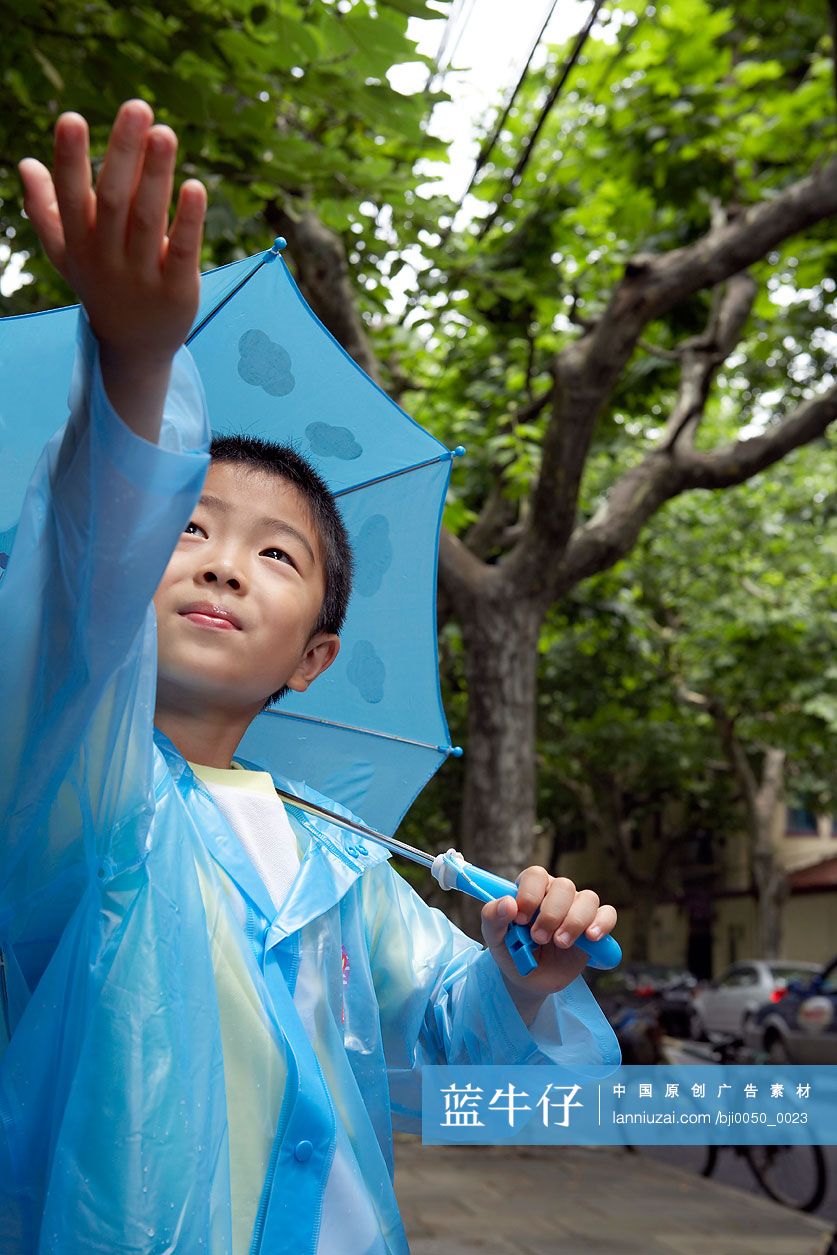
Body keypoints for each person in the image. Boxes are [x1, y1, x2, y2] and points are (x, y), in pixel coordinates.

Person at [0, 101, 620, 1254]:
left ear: (313, 657)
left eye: (276, 555)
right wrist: (136, 358)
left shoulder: (342, 855)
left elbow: (445, 1050)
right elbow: (81, 575)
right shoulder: (66, 772)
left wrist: (524, 979)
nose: (225, 562)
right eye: (183, 527)